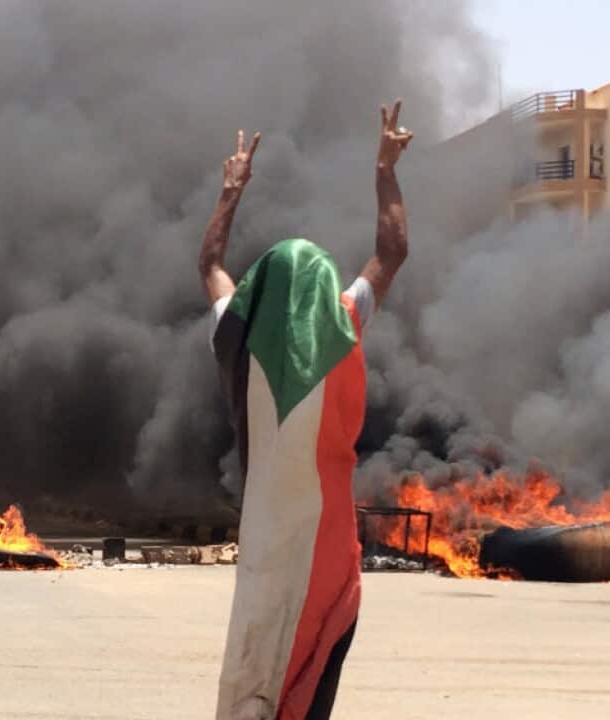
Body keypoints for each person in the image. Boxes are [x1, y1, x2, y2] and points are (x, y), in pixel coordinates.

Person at [199, 100, 412, 720]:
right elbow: (392, 251)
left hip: (268, 559)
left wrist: (229, 194)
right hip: (331, 565)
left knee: (252, 689)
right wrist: (385, 171)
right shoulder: (342, 323)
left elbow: (210, 266)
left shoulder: (235, 341)